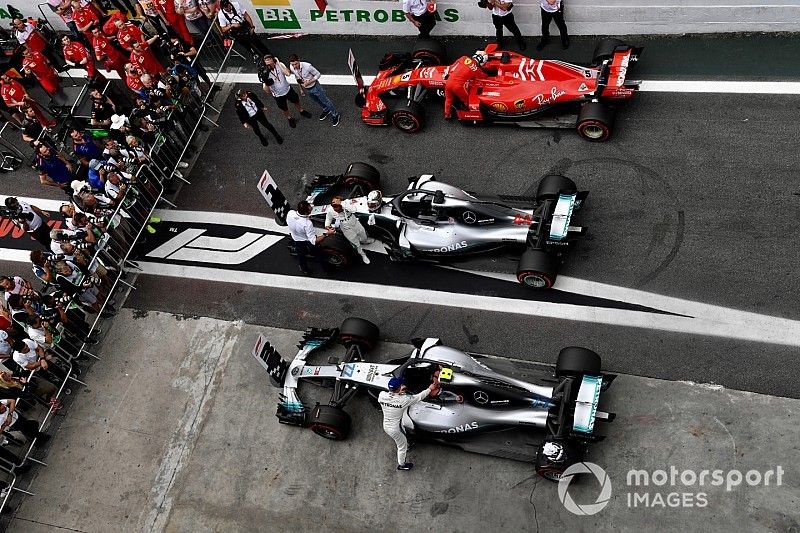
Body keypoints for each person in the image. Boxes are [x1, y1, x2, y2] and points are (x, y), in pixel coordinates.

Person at [378, 376, 438, 471]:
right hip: (396, 429)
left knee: (403, 433)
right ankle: (402, 465)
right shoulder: (404, 400)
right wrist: (430, 389)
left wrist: (399, 393)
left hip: (387, 424)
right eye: (401, 385)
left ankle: (408, 442)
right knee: (402, 447)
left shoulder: (381, 395)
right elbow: (418, 397)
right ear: (398, 389)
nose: (403, 386)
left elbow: (392, 396)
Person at [259, 54, 311, 128]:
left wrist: (278, 63)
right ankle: (289, 118)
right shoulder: (264, 72)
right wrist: (266, 81)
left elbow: (288, 73)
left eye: (271, 61)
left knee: (296, 101)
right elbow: (266, 90)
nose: (270, 64)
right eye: (267, 63)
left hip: (288, 89)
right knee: (284, 108)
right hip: (278, 95)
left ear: (273, 60)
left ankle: (301, 110)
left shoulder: (279, 65)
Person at [288, 54, 340, 126]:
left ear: (299, 60)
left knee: (325, 101)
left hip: (315, 87)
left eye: (295, 64)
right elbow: (297, 77)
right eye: (292, 64)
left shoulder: (307, 66)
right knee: (317, 100)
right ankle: (326, 110)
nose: (294, 66)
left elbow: (318, 74)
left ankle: (335, 114)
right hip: (307, 88)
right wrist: (301, 88)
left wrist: (309, 82)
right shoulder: (292, 67)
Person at [325, 196, 372, 264]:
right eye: (335, 210)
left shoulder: (346, 204)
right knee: (356, 243)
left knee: (363, 235)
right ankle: (363, 254)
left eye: (338, 210)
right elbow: (328, 218)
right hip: (346, 229)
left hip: (356, 224)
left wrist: (344, 204)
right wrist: (327, 225)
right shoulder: (330, 210)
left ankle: (364, 241)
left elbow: (354, 210)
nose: (337, 211)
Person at [286, 201, 328, 276]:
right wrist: (327, 234)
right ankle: (326, 268)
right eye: (310, 209)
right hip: (306, 239)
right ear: (306, 213)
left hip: (296, 237)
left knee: (301, 255)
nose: (311, 208)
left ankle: (303, 268)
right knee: (318, 254)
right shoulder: (307, 224)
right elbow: (313, 241)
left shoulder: (290, 213)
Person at [443, 52, 490, 119]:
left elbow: (453, 66)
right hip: (458, 87)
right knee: (466, 99)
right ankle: (471, 114)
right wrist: (488, 75)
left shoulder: (464, 58)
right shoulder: (476, 69)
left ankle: (447, 115)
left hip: (448, 82)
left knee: (448, 100)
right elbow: (483, 76)